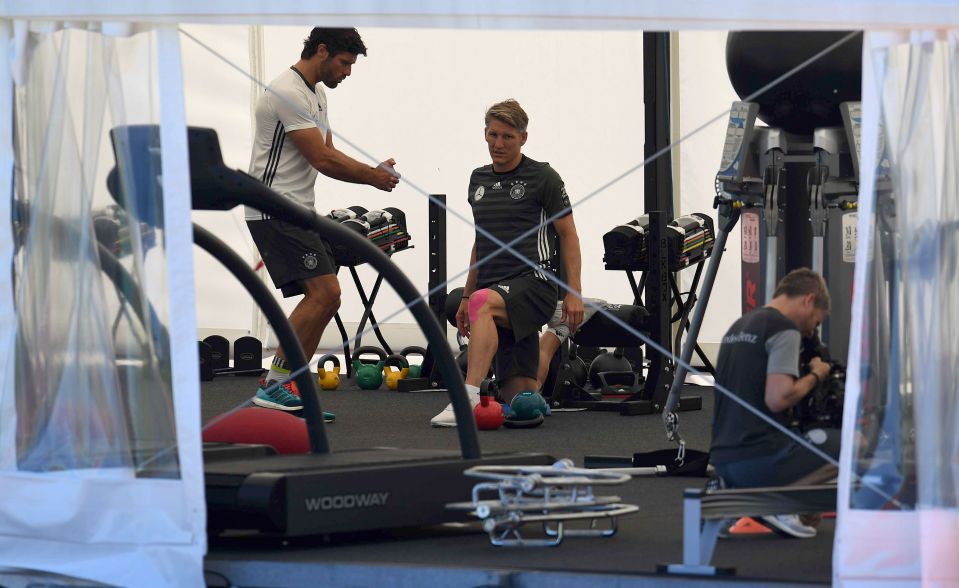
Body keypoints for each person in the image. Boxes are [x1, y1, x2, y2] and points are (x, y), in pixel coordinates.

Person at [246, 28, 400, 415]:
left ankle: (287, 386)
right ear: (322, 51)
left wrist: (372, 170)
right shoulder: (289, 91)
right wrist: (372, 176)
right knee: (325, 294)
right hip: (274, 209)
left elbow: (328, 153)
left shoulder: (316, 93)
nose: (348, 72)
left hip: (298, 210)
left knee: (328, 297)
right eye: (345, 63)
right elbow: (322, 159)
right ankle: (275, 384)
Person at [430, 99, 584, 427]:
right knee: (525, 398)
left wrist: (574, 292)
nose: (498, 144)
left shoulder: (543, 177)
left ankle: (465, 401)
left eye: (508, 137)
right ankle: (553, 337)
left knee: (485, 303)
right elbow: (480, 243)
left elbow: (569, 235)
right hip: (497, 290)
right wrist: (468, 295)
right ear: (485, 134)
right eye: (493, 135)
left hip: (536, 284)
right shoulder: (478, 179)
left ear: (523, 138)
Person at [710, 268, 837, 538]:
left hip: (723, 460)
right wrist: (816, 374)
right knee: (854, 446)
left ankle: (739, 494)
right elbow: (779, 398)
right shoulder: (784, 328)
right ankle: (778, 501)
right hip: (759, 458)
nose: (810, 332)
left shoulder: (739, 326)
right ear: (808, 300)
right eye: (815, 322)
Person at [535, 297, 606, 391]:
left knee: (543, 351)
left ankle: (529, 393)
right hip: (558, 309)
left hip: (555, 311)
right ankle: (530, 394)